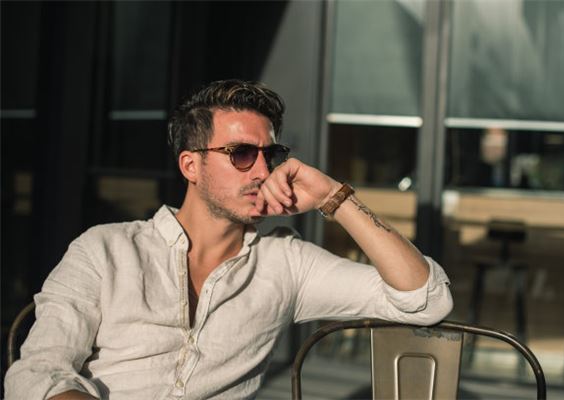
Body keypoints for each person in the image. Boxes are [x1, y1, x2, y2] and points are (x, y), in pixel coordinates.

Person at [4, 79, 452, 399]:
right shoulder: (105, 250)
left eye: (270, 154)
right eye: (240, 154)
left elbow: (425, 299)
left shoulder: (286, 263)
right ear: (190, 165)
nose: (261, 170)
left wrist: (333, 197)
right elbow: (38, 373)